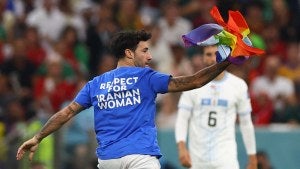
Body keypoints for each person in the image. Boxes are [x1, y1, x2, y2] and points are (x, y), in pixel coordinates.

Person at [16, 30, 233, 169]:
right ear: (129, 53)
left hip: (108, 160)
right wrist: (226, 62)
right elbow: (194, 81)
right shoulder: (146, 77)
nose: (149, 56)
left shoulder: (96, 83)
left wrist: (38, 137)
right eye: (145, 51)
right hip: (140, 158)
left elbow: (67, 112)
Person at [175, 45, 257, 169]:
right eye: (208, 54)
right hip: (197, 159)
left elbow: (246, 123)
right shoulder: (191, 85)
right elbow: (182, 118)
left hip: (226, 159)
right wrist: (181, 147)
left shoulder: (238, 85)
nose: (213, 58)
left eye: (217, 54)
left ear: (226, 57)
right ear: (202, 57)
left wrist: (252, 157)